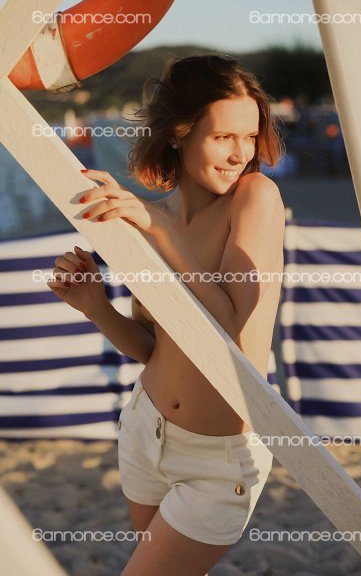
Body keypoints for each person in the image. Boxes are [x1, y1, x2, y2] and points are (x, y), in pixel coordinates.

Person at [47, 54, 286, 576]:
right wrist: (95, 306)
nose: (241, 154)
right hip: (144, 432)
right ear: (180, 131)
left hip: (219, 457)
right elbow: (155, 348)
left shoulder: (255, 198)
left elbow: (229, 331)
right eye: (224, 137)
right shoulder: (156, 216)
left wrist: (162, 232)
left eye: (250, 136)